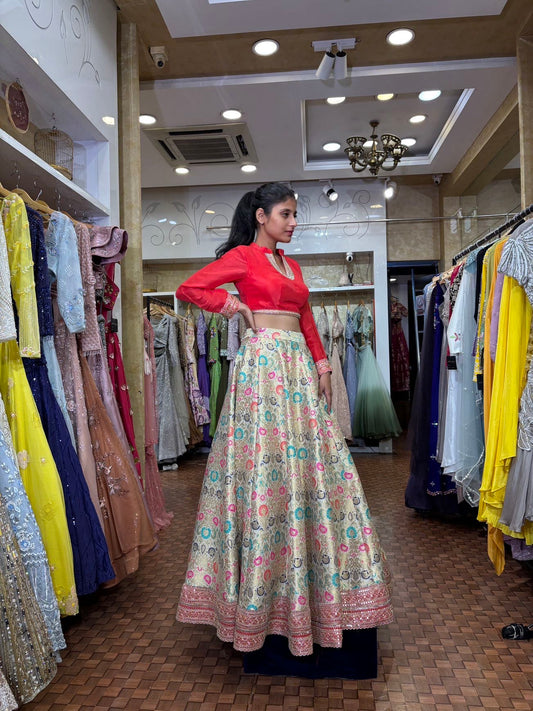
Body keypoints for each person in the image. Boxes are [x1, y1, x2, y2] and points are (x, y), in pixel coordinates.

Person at [175, 182, 393, 659]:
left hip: (298, 366)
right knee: (267, 465)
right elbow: (189, 289)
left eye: (295, 214)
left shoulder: (291, 266)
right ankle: (263, 589)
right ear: (261, 216)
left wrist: (322, 364)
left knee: (317, 465)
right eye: (286, 214)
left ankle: (317, 580)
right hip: (264, 366)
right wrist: (234, 306)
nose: (294, 222)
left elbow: (307, 316)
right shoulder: (243, 258)